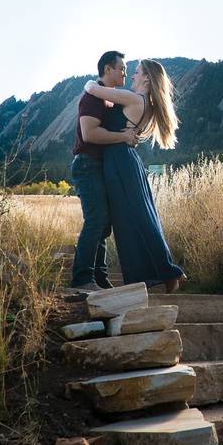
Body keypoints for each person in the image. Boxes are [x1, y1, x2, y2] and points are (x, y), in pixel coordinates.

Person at [82, 58, 186, 293]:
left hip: (119, 161)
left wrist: (90, 81)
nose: (132, 76)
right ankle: (161, 273)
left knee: (131, 218)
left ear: (147, 78)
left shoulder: (135, 98)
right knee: (136, 216)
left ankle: (164, 272)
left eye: (137, 72)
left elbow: (93, 89)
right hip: (125, 160)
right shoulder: (144, 103)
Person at [68, 51, 140, 292]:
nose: (125, 73)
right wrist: (122, 137)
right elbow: (89, 134)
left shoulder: (108, 98)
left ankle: (99, 278)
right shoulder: (91, 97)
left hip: (100, 166)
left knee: (105, 223)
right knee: (96, 219)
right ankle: (81, 279)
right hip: (88, 164)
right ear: (108, 69)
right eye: (121, 68)